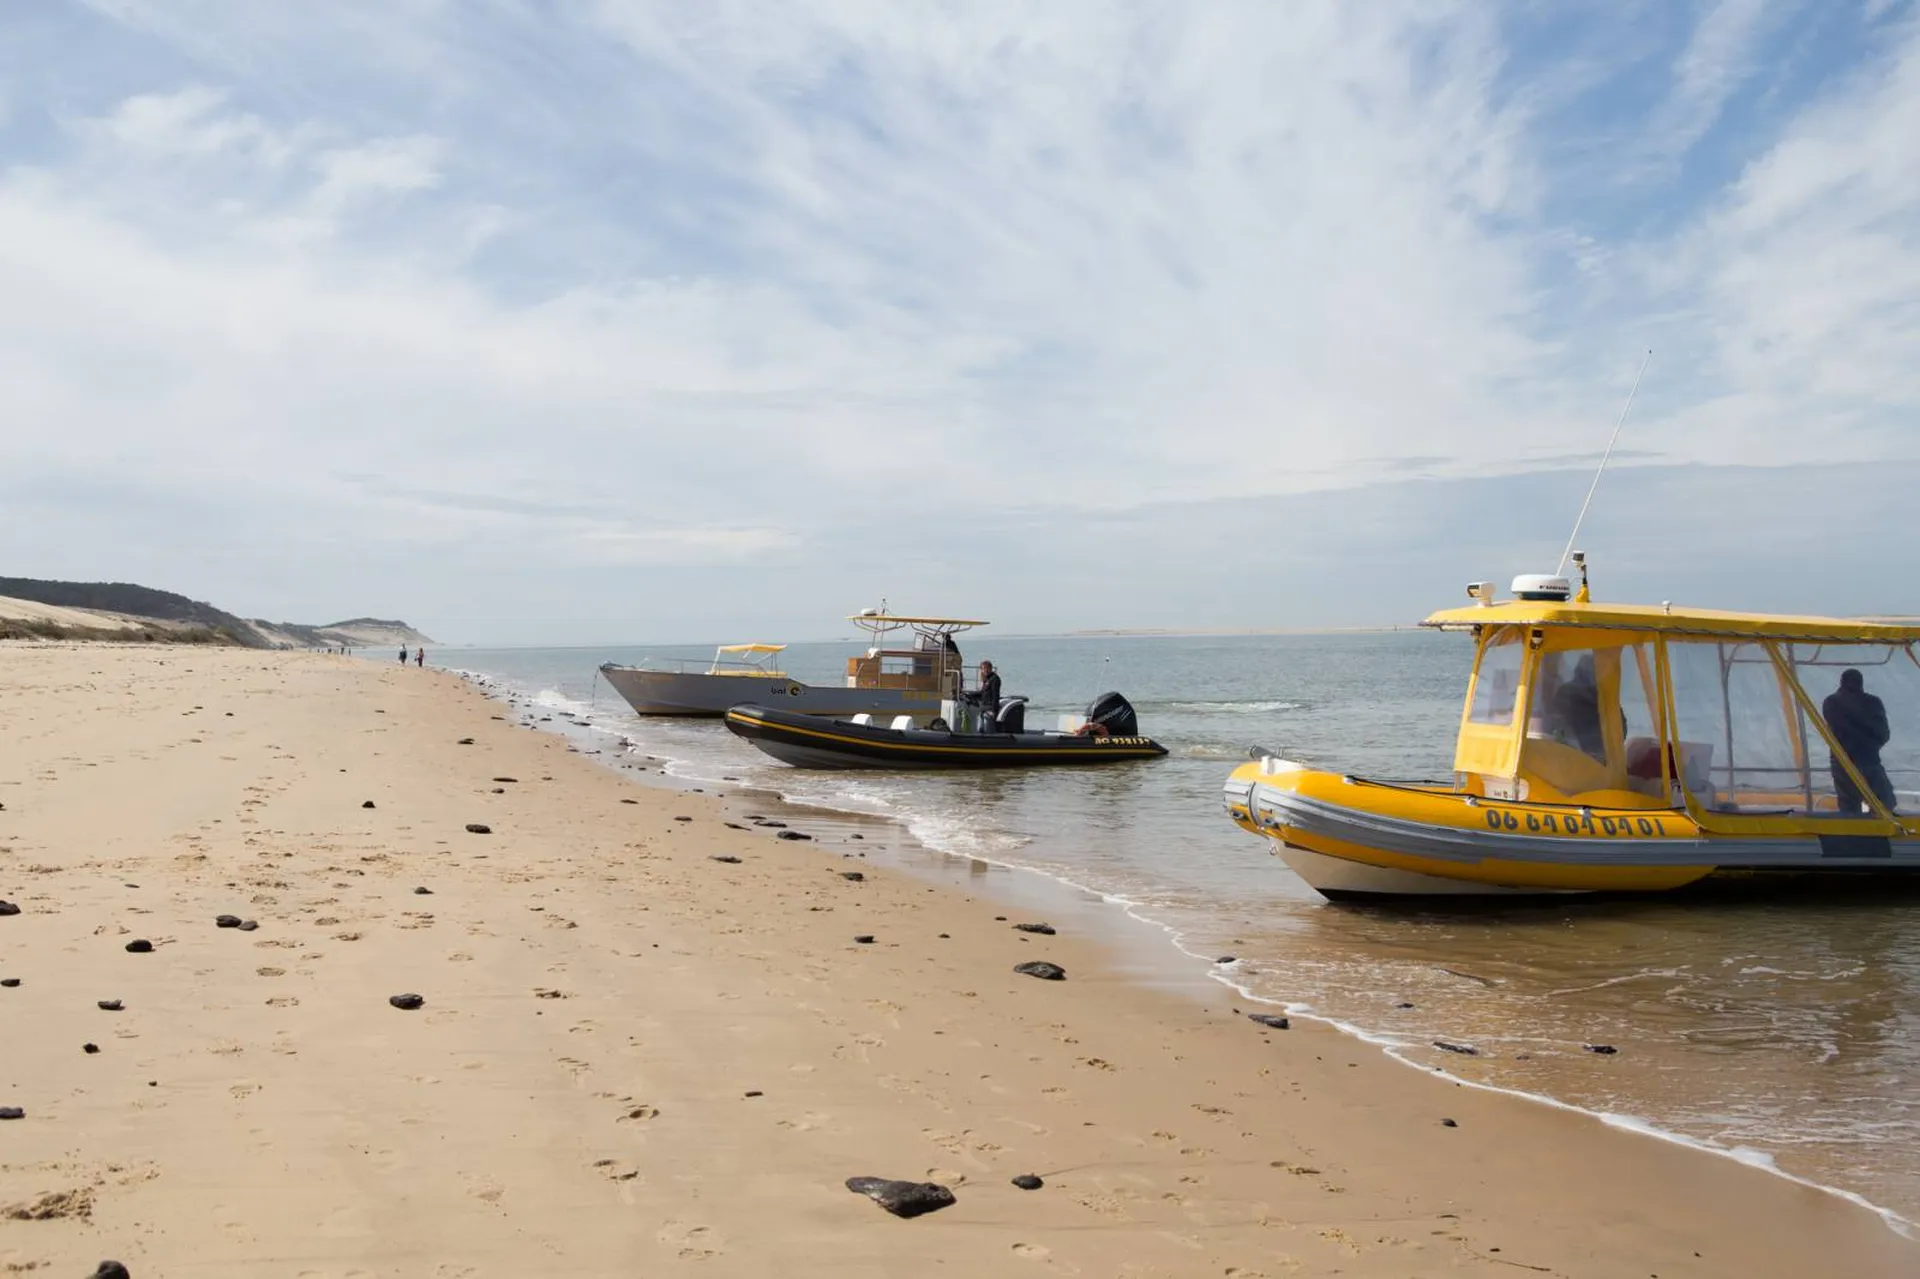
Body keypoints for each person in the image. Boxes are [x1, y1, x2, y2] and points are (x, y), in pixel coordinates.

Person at [1823, 668, 1895, 814]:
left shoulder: (1831, 702)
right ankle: (1878, 830)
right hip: (1867, 758)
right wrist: (1871, 745)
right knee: (1884, 801)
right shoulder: (1872, 702)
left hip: (1843, 759)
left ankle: (1854, 832)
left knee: (1849, 805)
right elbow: (1883, 733)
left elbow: (1838, 729)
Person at [967, 660, 1001, 729]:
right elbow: (982, 693)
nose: (985, 670)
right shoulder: (987, 679)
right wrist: (969, 694)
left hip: (989, 705)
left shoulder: (994, 679)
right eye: (983, 669)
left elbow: (995, 695)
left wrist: (994, 711)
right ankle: (978, 729)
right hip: (984, 704)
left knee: (975, 711)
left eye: (986, 668)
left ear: (991, 668)